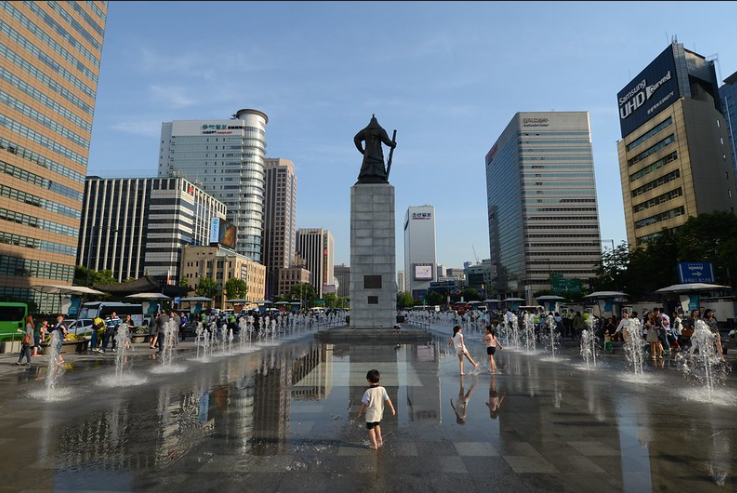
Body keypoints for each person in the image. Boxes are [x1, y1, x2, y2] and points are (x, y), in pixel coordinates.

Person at [357, 369, 396, 450]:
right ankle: (380, 439)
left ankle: (374, 444)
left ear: (368, 380)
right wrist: (392, 408)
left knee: (370, 428)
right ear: (379, 379)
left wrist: (360, 412)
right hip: (379, 413)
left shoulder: (368, 392)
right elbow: (388, 399)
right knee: (377, 425)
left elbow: (364, 404)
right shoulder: (382, 389)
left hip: (371, 415)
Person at [353, 115, 396, 183]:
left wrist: (362, 151)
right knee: (377, 164)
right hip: (377, 154)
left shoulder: (365, 131)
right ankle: (379, 177)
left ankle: (366, 178)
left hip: (368, 154)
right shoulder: (380, 130)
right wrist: (393, 144)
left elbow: (356, 138)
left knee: (367, 165)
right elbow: (387, 141)